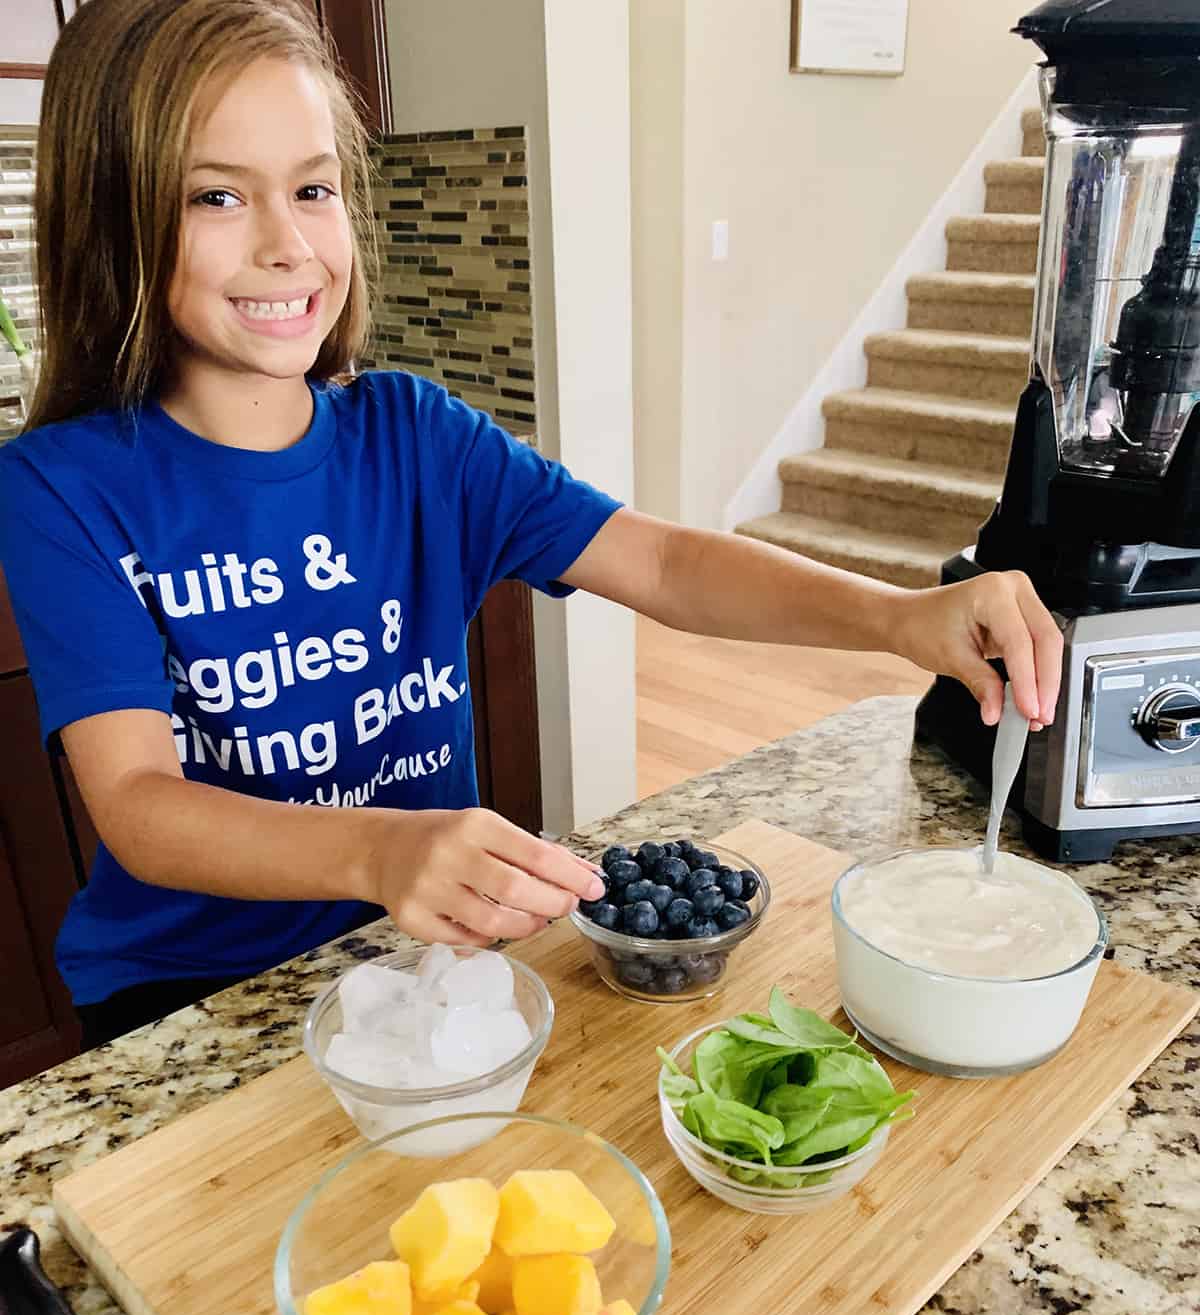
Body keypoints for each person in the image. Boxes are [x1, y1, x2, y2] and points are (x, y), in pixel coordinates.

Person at [0, 0, 1062, 1052]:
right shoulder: (58, 489)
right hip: (192, 993)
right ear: (114, 215)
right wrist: (381, 851)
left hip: (428, 956)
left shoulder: (419, 437)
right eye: (217, 196)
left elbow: (662, 559)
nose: (289, 244)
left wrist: (899, 615)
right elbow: (137, 802)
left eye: (313, 188)